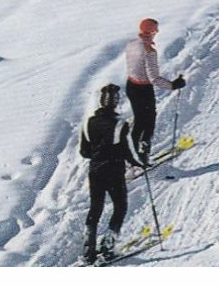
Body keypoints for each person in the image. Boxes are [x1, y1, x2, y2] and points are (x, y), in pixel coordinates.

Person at [78, 83, 141, 264]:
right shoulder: (120, 124)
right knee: (120, 206)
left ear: (100, 101)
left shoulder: (88, 123)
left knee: (95, 208)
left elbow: (84, 152)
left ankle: (88, 251)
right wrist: (138, 163)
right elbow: (128, 152)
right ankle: (107, 248)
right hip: (114, 170)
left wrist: (98, 152)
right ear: (115, 102)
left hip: (95, 170)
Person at [123, 18, 185, 160]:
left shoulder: (131, 43)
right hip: (143, 89)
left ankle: (133, 154)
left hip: (131, 86)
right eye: (155, 30)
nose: (156, 33)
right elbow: (154, 79)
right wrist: (173, 85)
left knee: (139, 120)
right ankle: (144, 154)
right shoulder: (149, 51)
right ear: (152, 31)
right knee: (149, 120)